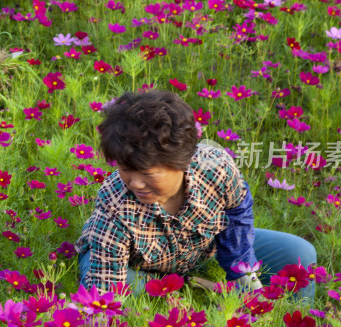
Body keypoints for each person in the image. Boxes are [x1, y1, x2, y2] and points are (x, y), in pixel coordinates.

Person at [75, 90, 317, 302]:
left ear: (182, 162)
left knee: (299, 253)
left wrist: (248, 285)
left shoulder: (216, 168)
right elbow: (106, 289)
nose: (135, 183)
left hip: (199, 251)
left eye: (148, 173)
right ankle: (186, 289)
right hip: (128, 264)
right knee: (129, 289)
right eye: (126, 169)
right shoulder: (114, 201)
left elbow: (237, 223)